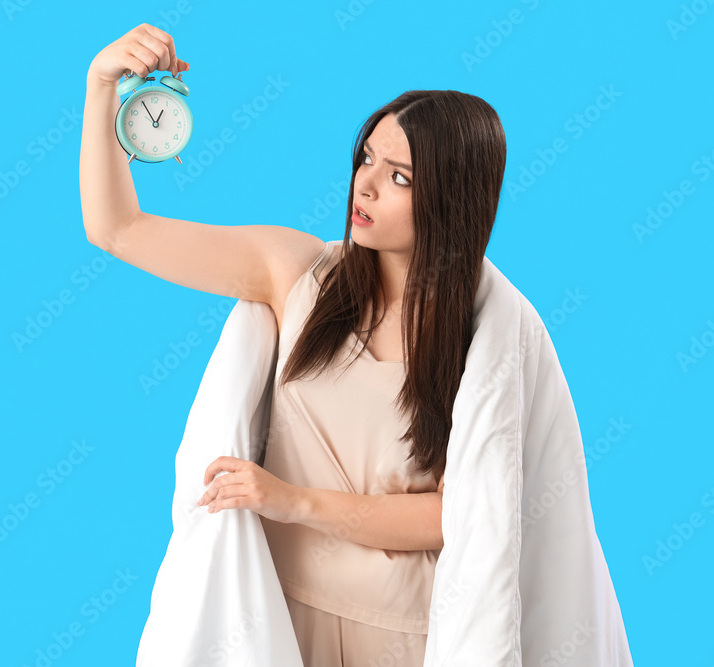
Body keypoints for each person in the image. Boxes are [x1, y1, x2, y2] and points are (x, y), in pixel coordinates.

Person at [80, 24, 506, 667]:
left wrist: (290, 501)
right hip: (272, 616)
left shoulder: (481, 336)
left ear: (452, 200)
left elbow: (457, 513)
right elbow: (117, 228)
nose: (364, 186)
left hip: (404, 632)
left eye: (399, 177)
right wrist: (101, 84)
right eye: (366, 158)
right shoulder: (295, 273)